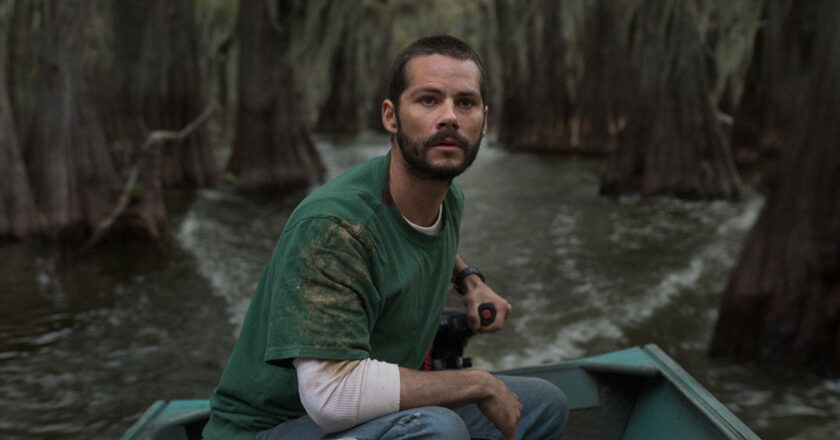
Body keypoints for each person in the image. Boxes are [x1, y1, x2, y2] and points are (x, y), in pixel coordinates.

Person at [202, 35, 568, 440]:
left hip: (361, 420)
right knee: (437, 429)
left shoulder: (447, 199)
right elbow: (332, 397)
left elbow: (419, 237)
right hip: (271, 429)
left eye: (465, 103)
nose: (449, 116)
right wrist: (477, 383)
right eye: (428, 100)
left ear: (485, 120)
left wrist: (470, 280)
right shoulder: (333, 228)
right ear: (391, 117)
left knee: (544, 403)